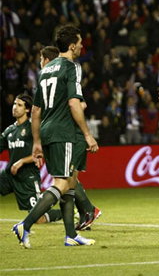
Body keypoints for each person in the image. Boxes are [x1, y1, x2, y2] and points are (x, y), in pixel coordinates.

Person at [12, 26, 99, 248]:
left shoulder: (45, 70)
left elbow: (36, 111)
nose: (81, 46)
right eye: (79, 42)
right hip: (63, 132)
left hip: (47, 131)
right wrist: (88, 135)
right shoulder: (72, 67)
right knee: (61, 183)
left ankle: (70, 234)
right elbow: (73, 103)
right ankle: (25, 224)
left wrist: (37, 141)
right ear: (72, 46)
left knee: (69, 183)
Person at [38, 46, 102, 231]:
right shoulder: (58, 79)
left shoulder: (68, 72)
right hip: (65, 133)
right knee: (67, 178)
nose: (39, 63)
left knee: (66, 179)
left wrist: (86, 134)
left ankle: (88, 211)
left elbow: (80, 103)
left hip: (72, 134)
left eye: (41, 59)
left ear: (48, 61)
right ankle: (83, 216)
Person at [1, 94, 62, 224]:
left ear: (27, 110)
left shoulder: (32, 129)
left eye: (19, 105)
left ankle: (64, 212)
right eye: (14, 104)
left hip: (28, 178)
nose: (15, 108)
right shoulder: (9, 130)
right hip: (10, 175)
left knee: (38, 218)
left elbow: (43, 151)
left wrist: (22, 161)